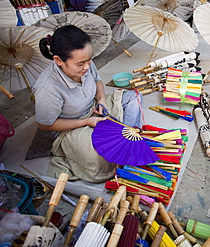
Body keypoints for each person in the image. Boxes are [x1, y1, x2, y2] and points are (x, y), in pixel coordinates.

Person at [34, 25, 143, 183]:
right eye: (80, 64)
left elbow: (98, 81)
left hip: (94, 108)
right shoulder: (47, 88)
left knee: (133, 97)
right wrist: (86, 121)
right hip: (72, 126)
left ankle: (127, 138)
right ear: (58, 60)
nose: (87, 66)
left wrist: (102, 99)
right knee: (96, 156)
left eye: (89, 60)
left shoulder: (85, 63)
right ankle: (121, 144)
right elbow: (45, 125)